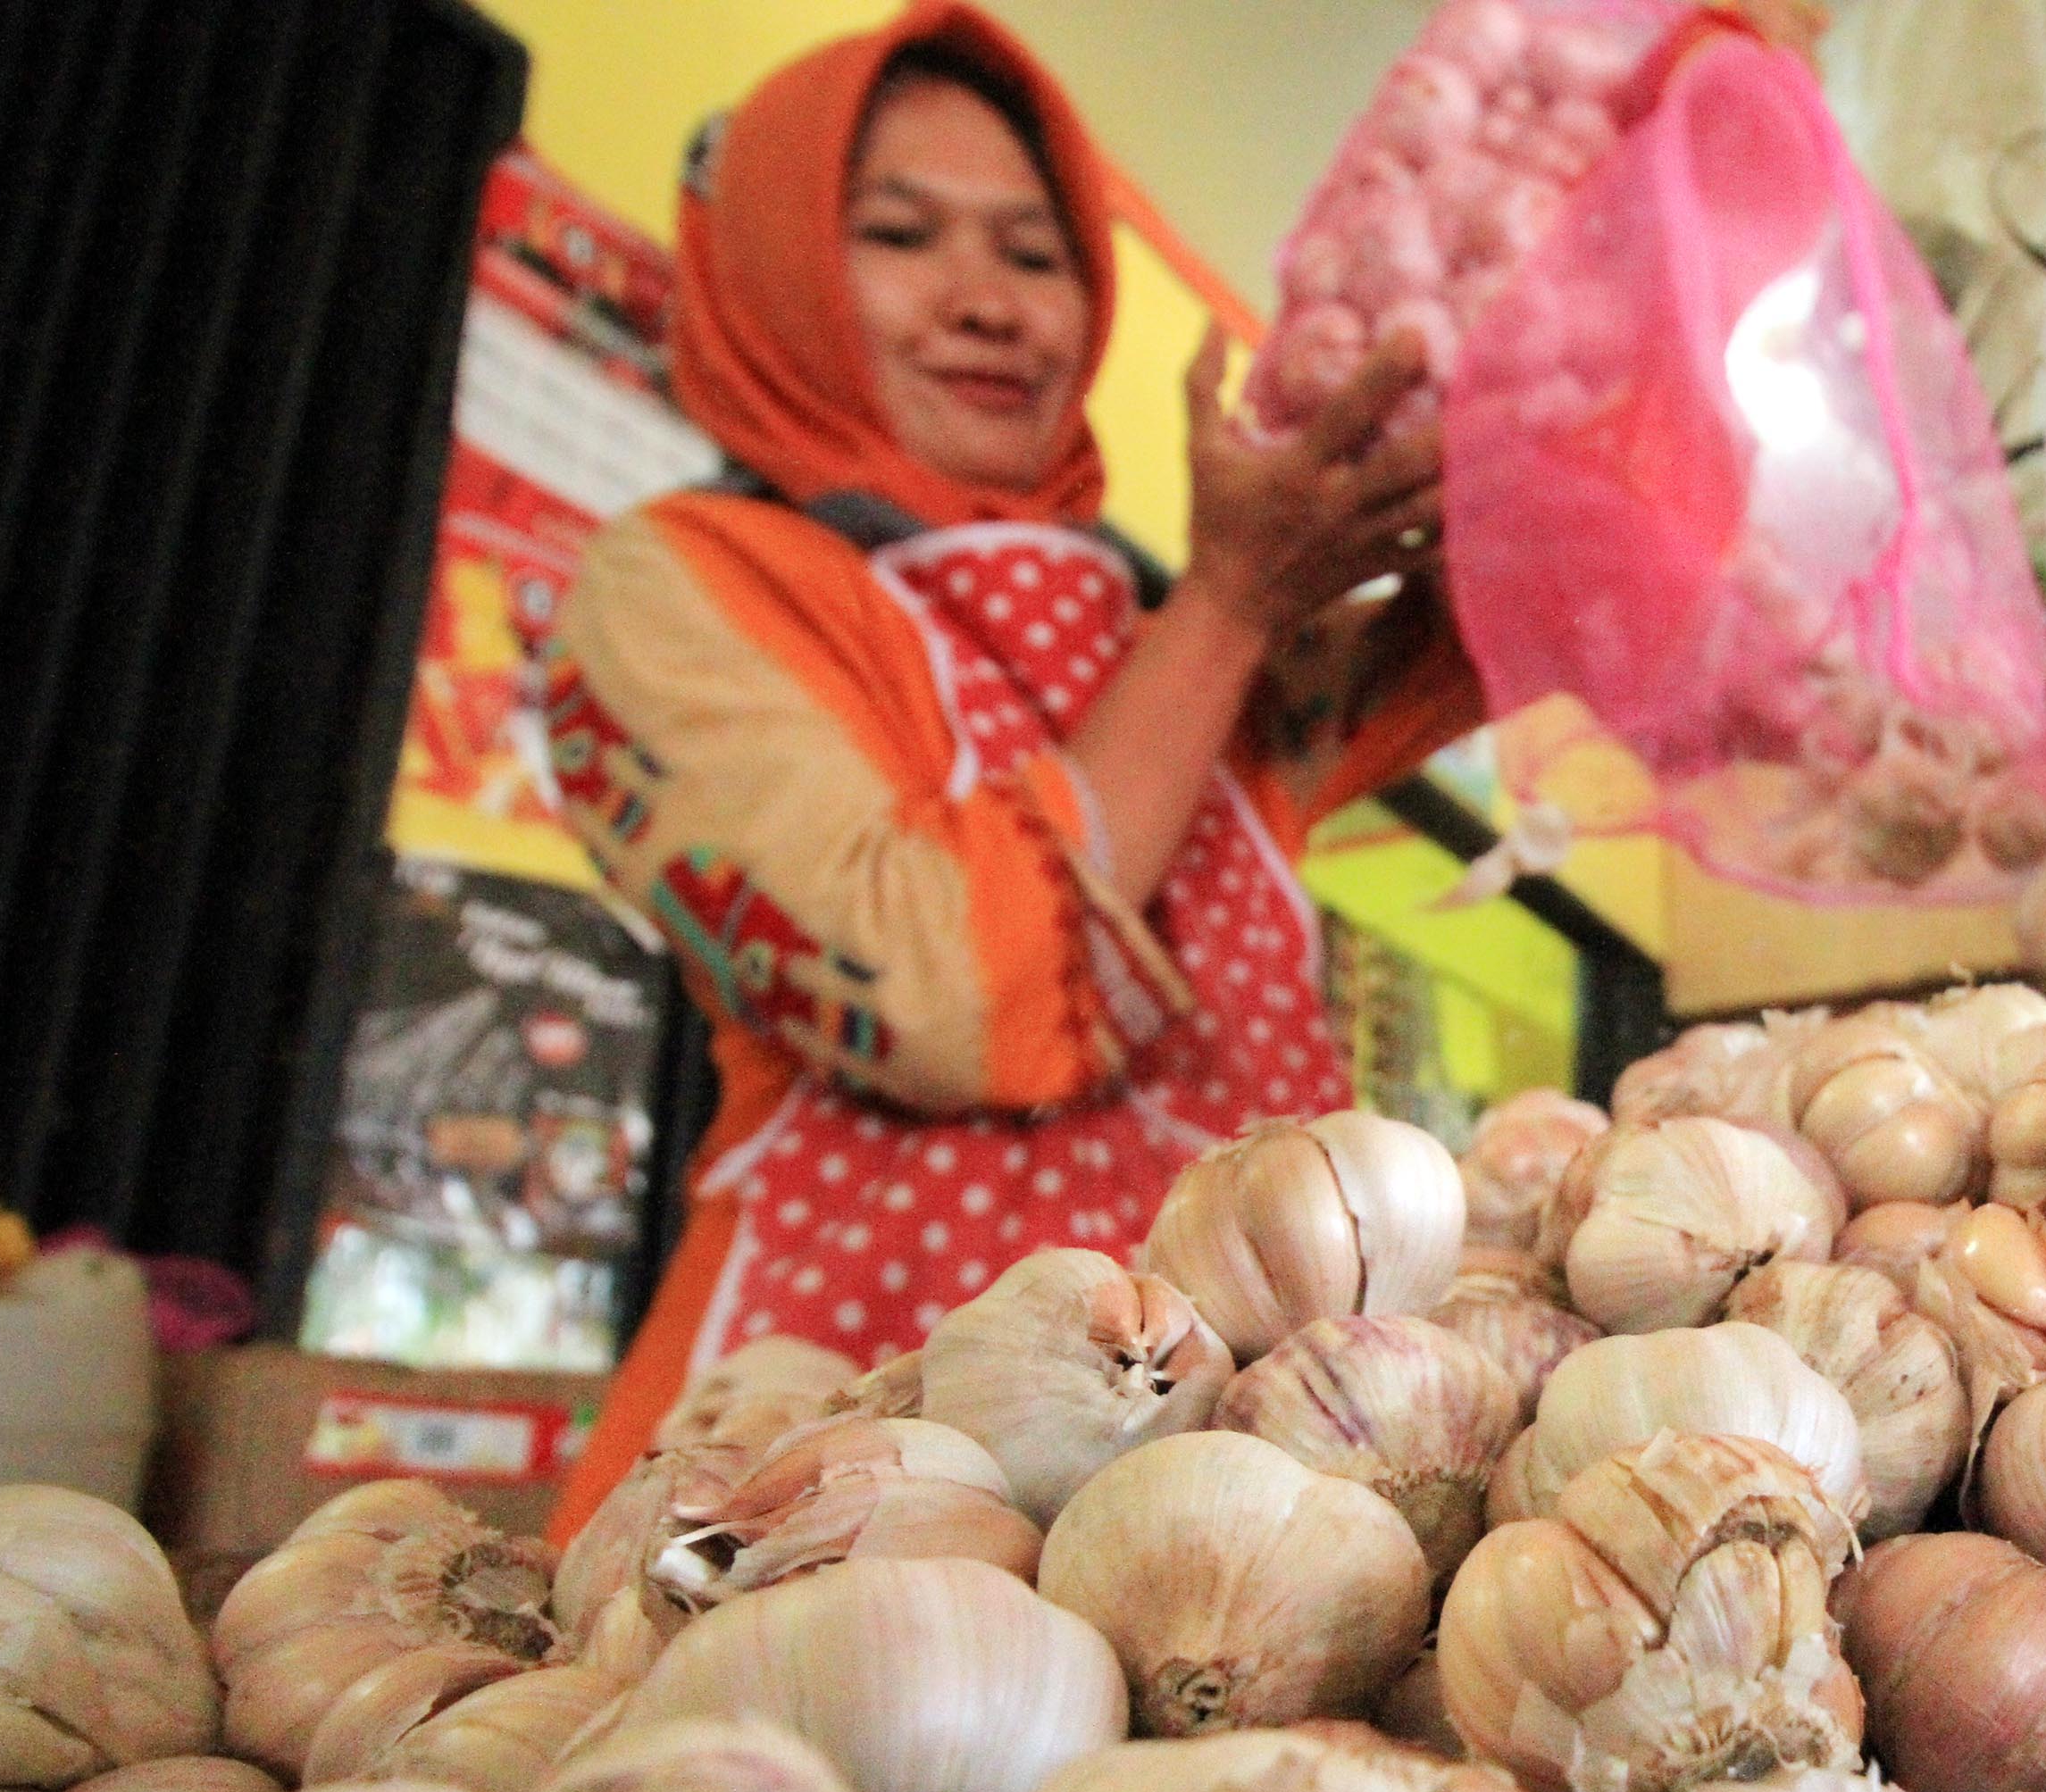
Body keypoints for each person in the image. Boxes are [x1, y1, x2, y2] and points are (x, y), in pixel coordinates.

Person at [542, 2, 1472, 1537]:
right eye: (901, 236)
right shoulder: (679, 585)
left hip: (1226, 1474)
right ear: (773, 269)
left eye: (1035, 255)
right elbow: (942, 998)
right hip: (822, 1461)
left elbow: (1529, 615)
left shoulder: (1170, 634)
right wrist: (1232, 604)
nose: (987, 305)